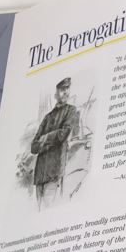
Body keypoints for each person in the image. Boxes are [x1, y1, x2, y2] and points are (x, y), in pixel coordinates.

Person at [31, 77, 79, 209]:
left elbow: (63, 134)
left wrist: (45, 138)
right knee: (38, 211)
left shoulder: (71, 111)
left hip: (54, 171)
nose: (66, 93)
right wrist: (47, 141)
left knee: (47, 210)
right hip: (40, 174)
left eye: (67, 89)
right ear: (56, 93)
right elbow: (33, 147)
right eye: (62, 90)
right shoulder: (47, 117)